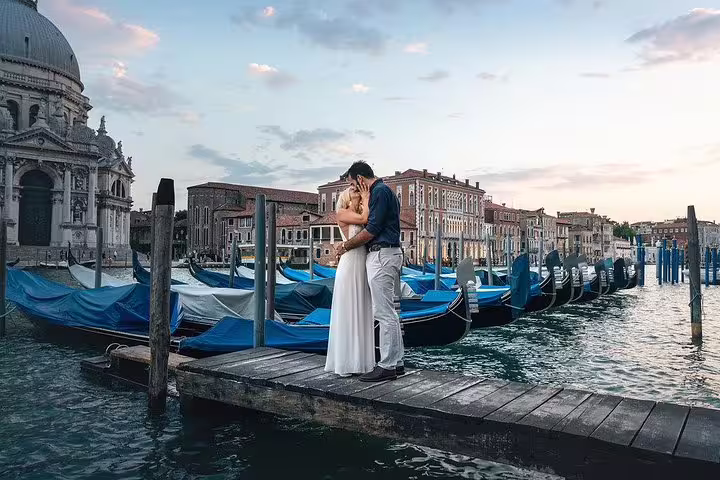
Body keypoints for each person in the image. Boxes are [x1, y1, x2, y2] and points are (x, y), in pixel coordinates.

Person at [336, 161, 404, 382]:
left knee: (384, 312)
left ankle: (387, 365)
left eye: (353, 183)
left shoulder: (380, 192)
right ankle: (397, 362)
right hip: (385, 254)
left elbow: (372, 228)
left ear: (360, 179)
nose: (353, 188)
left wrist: (345, 246)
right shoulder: (383, 192)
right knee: (388, 311)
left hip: (382, 255)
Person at [324, 183, 374, 377]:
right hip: (350, 264)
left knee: (361, 309)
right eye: (354, 192)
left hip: (361, 263)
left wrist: (363, 199)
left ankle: (360, 362)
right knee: (348, 310)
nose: (358, 194)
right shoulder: (342, 214)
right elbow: (365, 219)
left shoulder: (357, 211)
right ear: (346, 197)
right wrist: (366, 196)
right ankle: (347, 363)